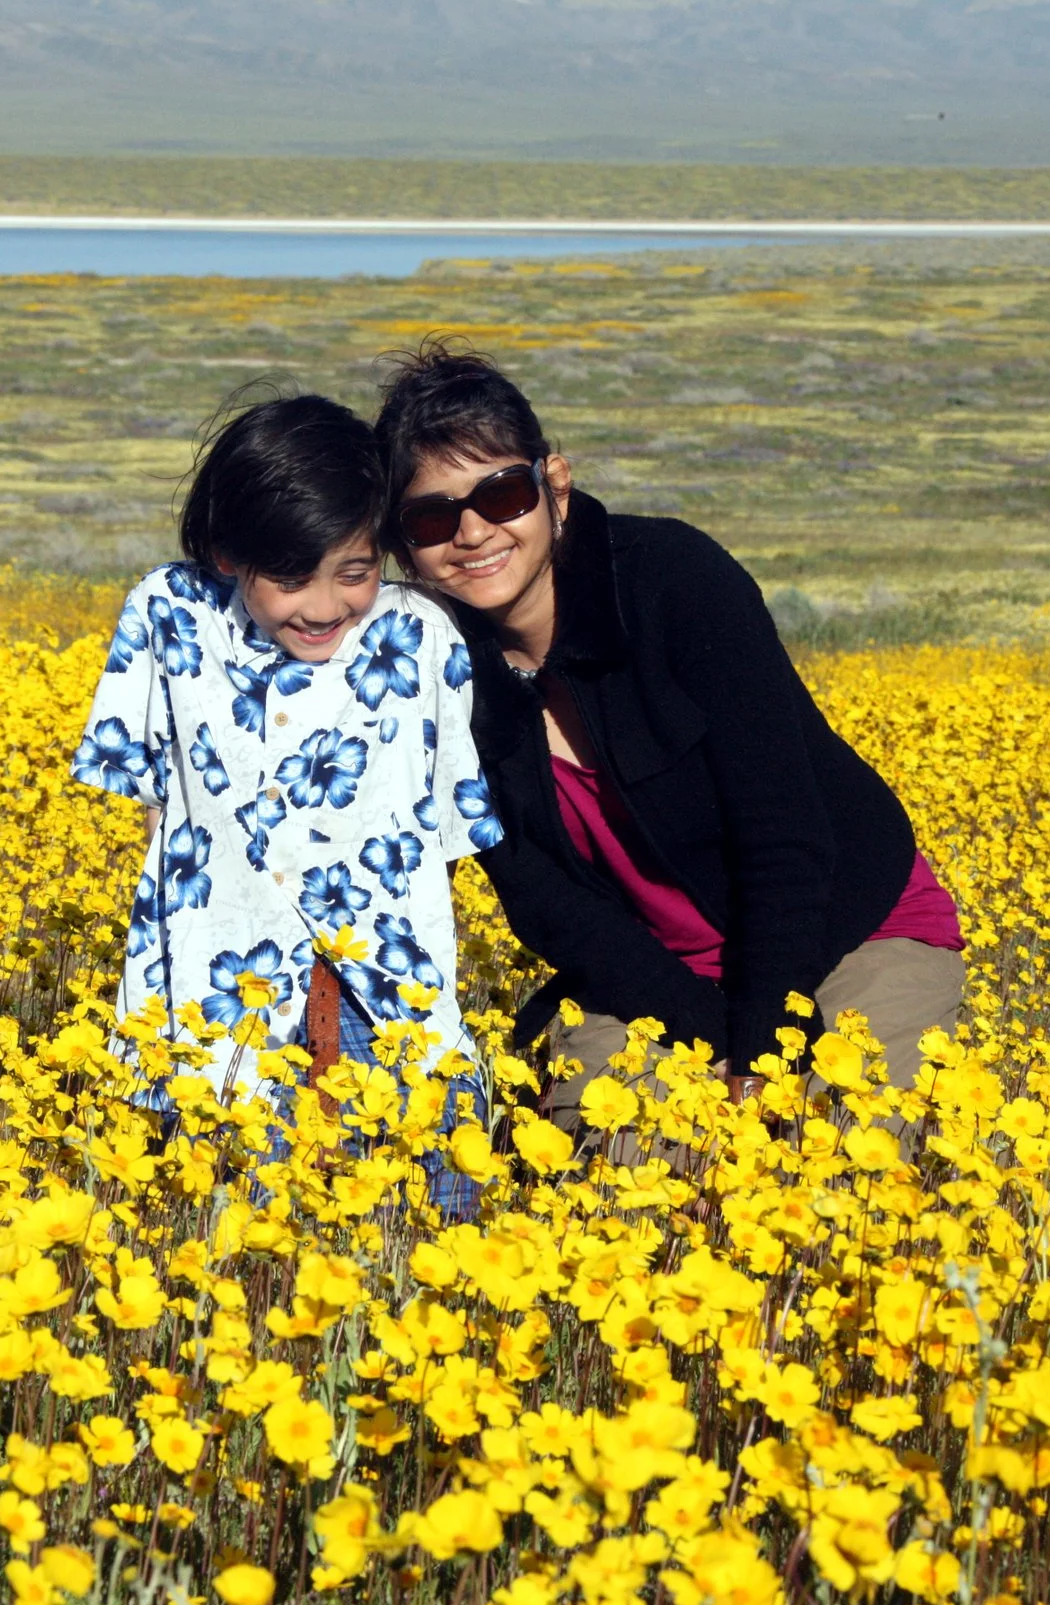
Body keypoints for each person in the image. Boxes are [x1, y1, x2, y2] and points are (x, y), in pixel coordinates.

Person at [372, 346, 965, 1131]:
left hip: (847, 929)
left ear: (555, 485)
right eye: (432, 516)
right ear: (402, 541)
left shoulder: (672, 583)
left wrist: (759, 1056)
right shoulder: (435, 672)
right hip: (661, 977)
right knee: (617, 1162)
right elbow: (552, 910)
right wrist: (713, 1043)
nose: (475, 531)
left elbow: (785, 837)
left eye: (503, 493)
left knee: (843, 1159)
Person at [71, 391, 502, 1197]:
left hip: (391, 1014)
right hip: (216, 1013)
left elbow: (442, 837)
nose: (324, 605)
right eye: (292, 576)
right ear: (231, 553)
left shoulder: (419, 634)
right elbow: (159, 815)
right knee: (235, 1269)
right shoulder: (166, 614)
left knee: (429, 1259)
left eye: (355, 571)